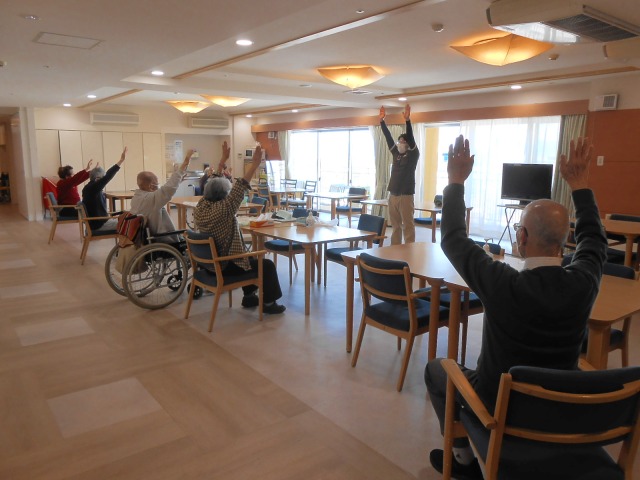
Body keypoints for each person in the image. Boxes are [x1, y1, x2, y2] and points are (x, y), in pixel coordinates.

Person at [424, 136, 607, 479]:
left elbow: (452, 237)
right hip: (560, 406)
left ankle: (463, 460)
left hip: (498, 407)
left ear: (521, 237)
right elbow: (595, 240)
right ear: (565, 240)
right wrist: (580, 185)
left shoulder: (502, 282)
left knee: (436, 369)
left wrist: (456, 180)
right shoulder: (584, 283)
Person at [194, 143, 286, 315]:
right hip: (224, 265)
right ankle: (269, 303)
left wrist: (222, 161)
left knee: (247, 258)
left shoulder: (201, 206)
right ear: (225, 196)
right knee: (266, 265)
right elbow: (240, 186)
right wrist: (255, 164)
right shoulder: (225, 209)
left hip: (208, 265)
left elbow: (212, 182)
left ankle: (249, 297)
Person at [129, 149, 196, 244]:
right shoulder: (150, 199)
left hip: (145, 238)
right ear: (151, 186)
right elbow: (167, 189)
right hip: (162, 240)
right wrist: (185, 162)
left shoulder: (136, 198)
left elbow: (164, 190)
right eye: (157, 183)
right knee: (189, 235)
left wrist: (179, 181)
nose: (158, 186)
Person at [380, 104, 420, 245]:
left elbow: (411, 137)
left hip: (405, 195)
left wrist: (407, 120)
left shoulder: (413, 154)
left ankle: (409, 249)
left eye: (403, 142)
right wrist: (382, 122)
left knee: (407, 224)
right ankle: (395, 248)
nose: (401, 143)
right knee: (395, 225)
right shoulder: (396, 154)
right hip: (393, 194)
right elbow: (388, 138)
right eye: (400, 141)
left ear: (408, 144)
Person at [81, 147, 127, 231]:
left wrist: (96, 170)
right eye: (102, 178)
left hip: (95, 224)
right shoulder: (93, 188)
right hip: (100, 225)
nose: (103, 181)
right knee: (131, 224)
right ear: (98, 178)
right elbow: (108, 176)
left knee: (127, 220)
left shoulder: (88, 187)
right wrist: (121, 160)